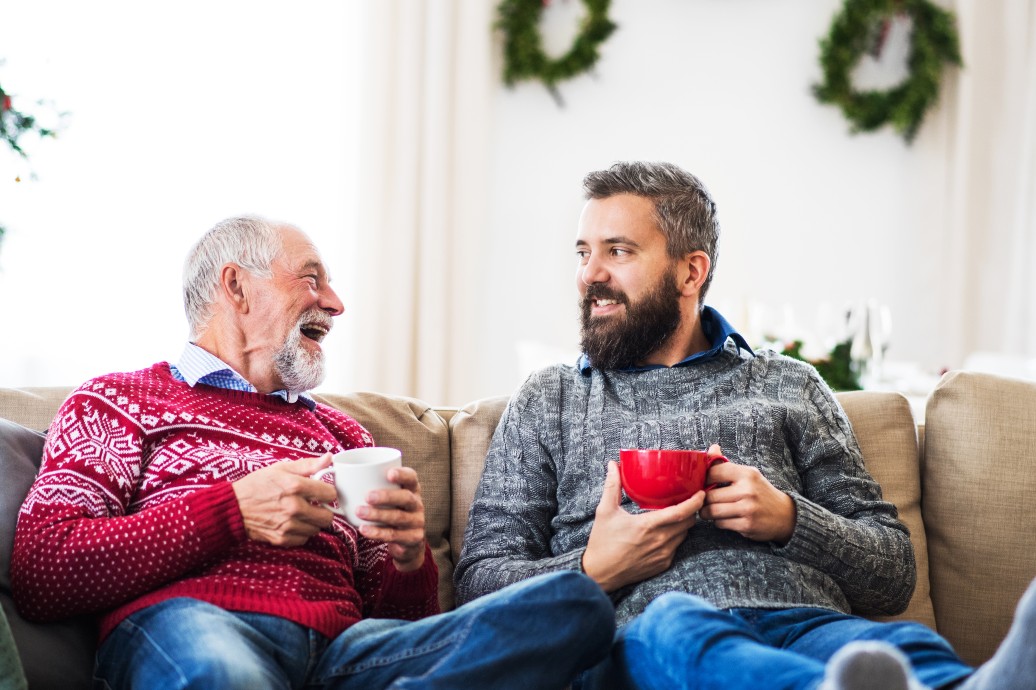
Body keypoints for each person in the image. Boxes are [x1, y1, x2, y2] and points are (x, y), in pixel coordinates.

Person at [454, 161, 1036, 690]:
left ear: (690, 272)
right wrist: (592, 568)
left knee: (896, 645)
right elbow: (477, 581)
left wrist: (790, 519)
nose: (590, 275)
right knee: (677, 627)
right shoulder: (550, 398)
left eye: (618, 251)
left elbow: (893, 574)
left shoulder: (790, 384)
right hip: (647, 637)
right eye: (583, 253)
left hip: (807, 624)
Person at [11, 216, 615, 690]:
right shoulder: (119, 401)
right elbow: (43, 570)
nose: (335, 302)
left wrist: (407, 556)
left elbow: (405, 626)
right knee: (226, 677)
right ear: (236, 286)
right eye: (311, 278)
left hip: (349, 654)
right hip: (196, 623)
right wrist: (232, 512)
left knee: (573, 605)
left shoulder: (347, 435)